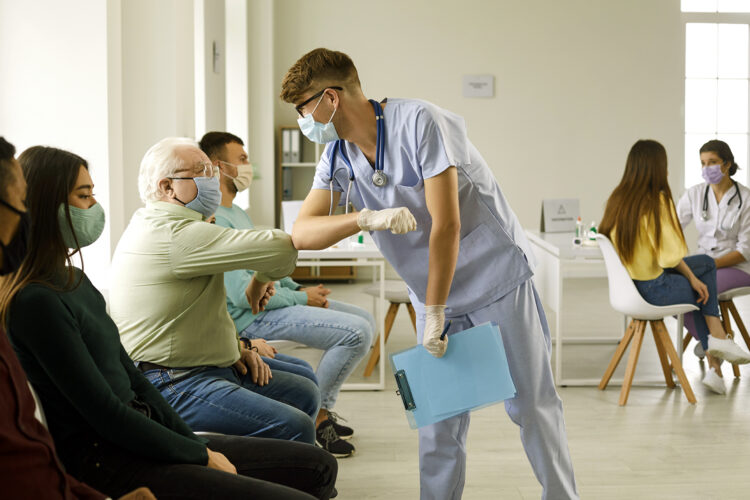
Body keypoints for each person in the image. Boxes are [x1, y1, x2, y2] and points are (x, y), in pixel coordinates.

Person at [280, 48, 579, 500]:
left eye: (304, 107)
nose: (304, 119)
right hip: (430, 292)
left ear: (330, 99)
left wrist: (435, 308)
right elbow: (303, 232)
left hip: (494, 279)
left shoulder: (420, 121)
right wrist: (363, 219)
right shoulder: (336, 154)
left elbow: (447, 223)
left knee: (532, 406)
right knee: (437, 423)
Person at [0, 144, 337, 500]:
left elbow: (133, 382)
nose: (96, 208)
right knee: (304, 459)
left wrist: (194, 445)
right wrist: (198, 453)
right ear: (40, 205)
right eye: (85, 196)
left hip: (148, 419)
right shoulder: (36, 302)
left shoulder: (76, 281)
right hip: (115, 456)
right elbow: (106, 413)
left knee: (320, 463)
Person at [107, 137, 323, 444]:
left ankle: (296, 471)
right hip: (172, 380)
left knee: (304, 389)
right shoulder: (177, 236)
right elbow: (282, 248)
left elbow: (197, 315)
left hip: (196, 364)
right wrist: (261, 280)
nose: (213, 180)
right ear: (167, 187)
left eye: (211, 171)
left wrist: (237, 350)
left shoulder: (162, 223)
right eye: (201, 171)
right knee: (295, 425)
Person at [200, 131, 376, 458]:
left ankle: (319, 412)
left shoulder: (237, 212)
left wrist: (299, 289)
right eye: (241, 160)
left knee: (365, 318)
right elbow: (243, 295)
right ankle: (319, 418)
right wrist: (301, 298)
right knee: (356, 332)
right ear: (217, 166)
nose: (248, 166)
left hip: (270, 305)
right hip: (253, 318)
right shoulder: (216, 221)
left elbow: (265, 270)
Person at [599, 139, 750, 393]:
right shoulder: (658, 201)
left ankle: (715, 349)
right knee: (702, 283)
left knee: (702, 268)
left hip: (631, 288)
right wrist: (692, 277)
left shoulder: (618, 199)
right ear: (658, 168)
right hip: (655, 291)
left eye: (712, 163)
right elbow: (669, 256)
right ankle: (718, 341)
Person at [676, 139, 750, 393]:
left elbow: (745, 250)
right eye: (703, 164)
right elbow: (673, 227)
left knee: (700, 288)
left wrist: (707, 266)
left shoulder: (746, 199)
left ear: (727, 164)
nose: (707, 169)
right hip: (705, 264)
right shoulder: (695, 194)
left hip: (738, 268)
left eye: (713, 163)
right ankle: (713, 347)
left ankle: (712, 359)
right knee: (680, 293)